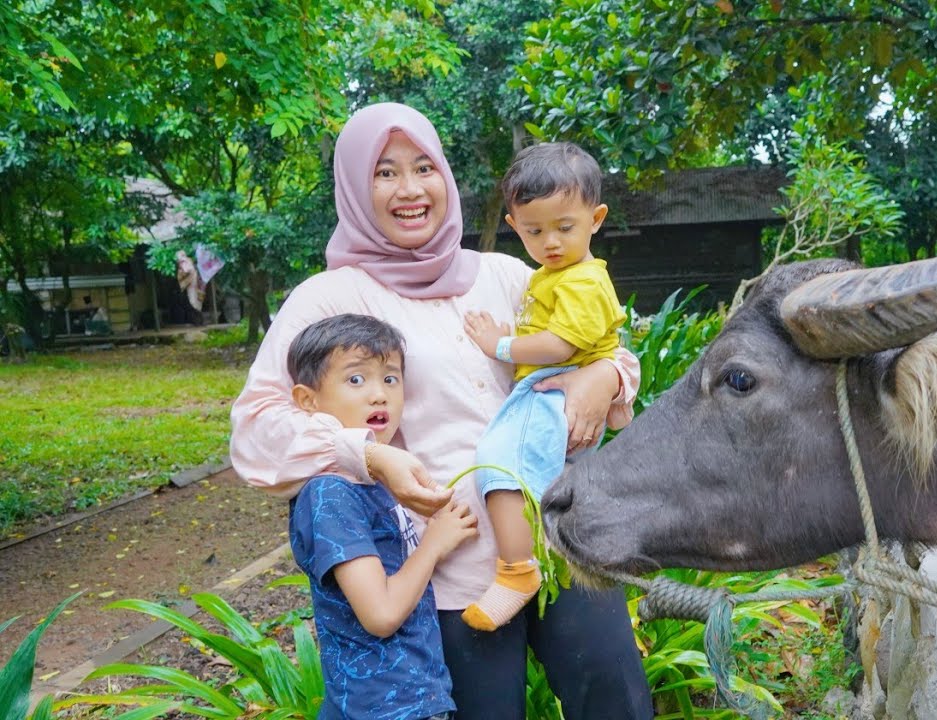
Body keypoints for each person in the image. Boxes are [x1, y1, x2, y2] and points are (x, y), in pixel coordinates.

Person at [230, 102, 653, 719]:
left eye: (423, 167)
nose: (409, 189)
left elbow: (605, 347)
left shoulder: (510, 275)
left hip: (564, 539)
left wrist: (604, 377)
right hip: (452, 570)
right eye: (384, 172)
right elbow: (256, 431)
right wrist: (372, 457)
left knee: (617, 706)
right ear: (353, 186)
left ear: (446, 179)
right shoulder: (328, 298)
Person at [460, 142, 624, 631]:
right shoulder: (553, 275)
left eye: (564, 227)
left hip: (552, 389)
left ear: (595, 218)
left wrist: (501, 345)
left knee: (497, 463)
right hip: (558, 390)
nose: (550, 241)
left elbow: (558, 346)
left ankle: (516, 571)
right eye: (534, 231)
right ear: (514, 226)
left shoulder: (582, 281)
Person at [285, 313, 477, 720]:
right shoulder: (330, 494)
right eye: (356, 380)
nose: (379, 394)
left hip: (407, 698)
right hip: (381, 706)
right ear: (308, 401)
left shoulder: (371, 485)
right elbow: (381, 614)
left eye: (390, 379)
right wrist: (433, 546)